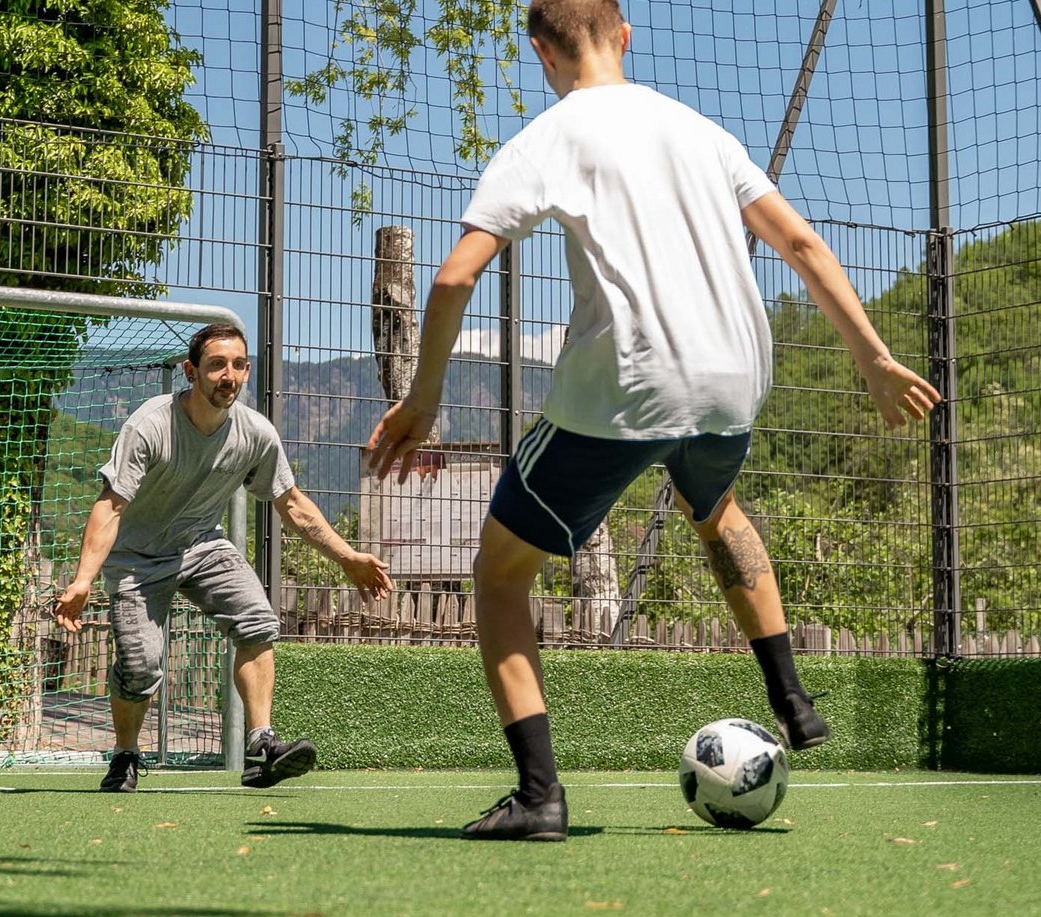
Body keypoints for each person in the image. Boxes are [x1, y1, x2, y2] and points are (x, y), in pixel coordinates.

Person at [365, 0, 941, 841]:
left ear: (540, 51)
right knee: (714, 511)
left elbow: (453, 280)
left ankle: (539, 797)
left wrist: (421, 399)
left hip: (626, 391)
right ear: (624, 34)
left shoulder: (549, 137)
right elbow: (806, 247)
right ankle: (792, 697)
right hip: (734, 380)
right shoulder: (703, 132)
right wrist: (875, 360)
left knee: (498, 577)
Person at [57, 322, 393, 792]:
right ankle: (126, 754)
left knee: (257, 621)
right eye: (216, 365)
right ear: (192, 371)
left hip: (203, 545)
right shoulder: (150, 425)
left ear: (247, 371)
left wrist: (348, 557)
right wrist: (83, 579)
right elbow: (111, 505)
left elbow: (292, 504)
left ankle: (261, 747)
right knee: (141, 668)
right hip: (138, 558)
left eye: (237, 365)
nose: (227, 375)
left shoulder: (255, 433)